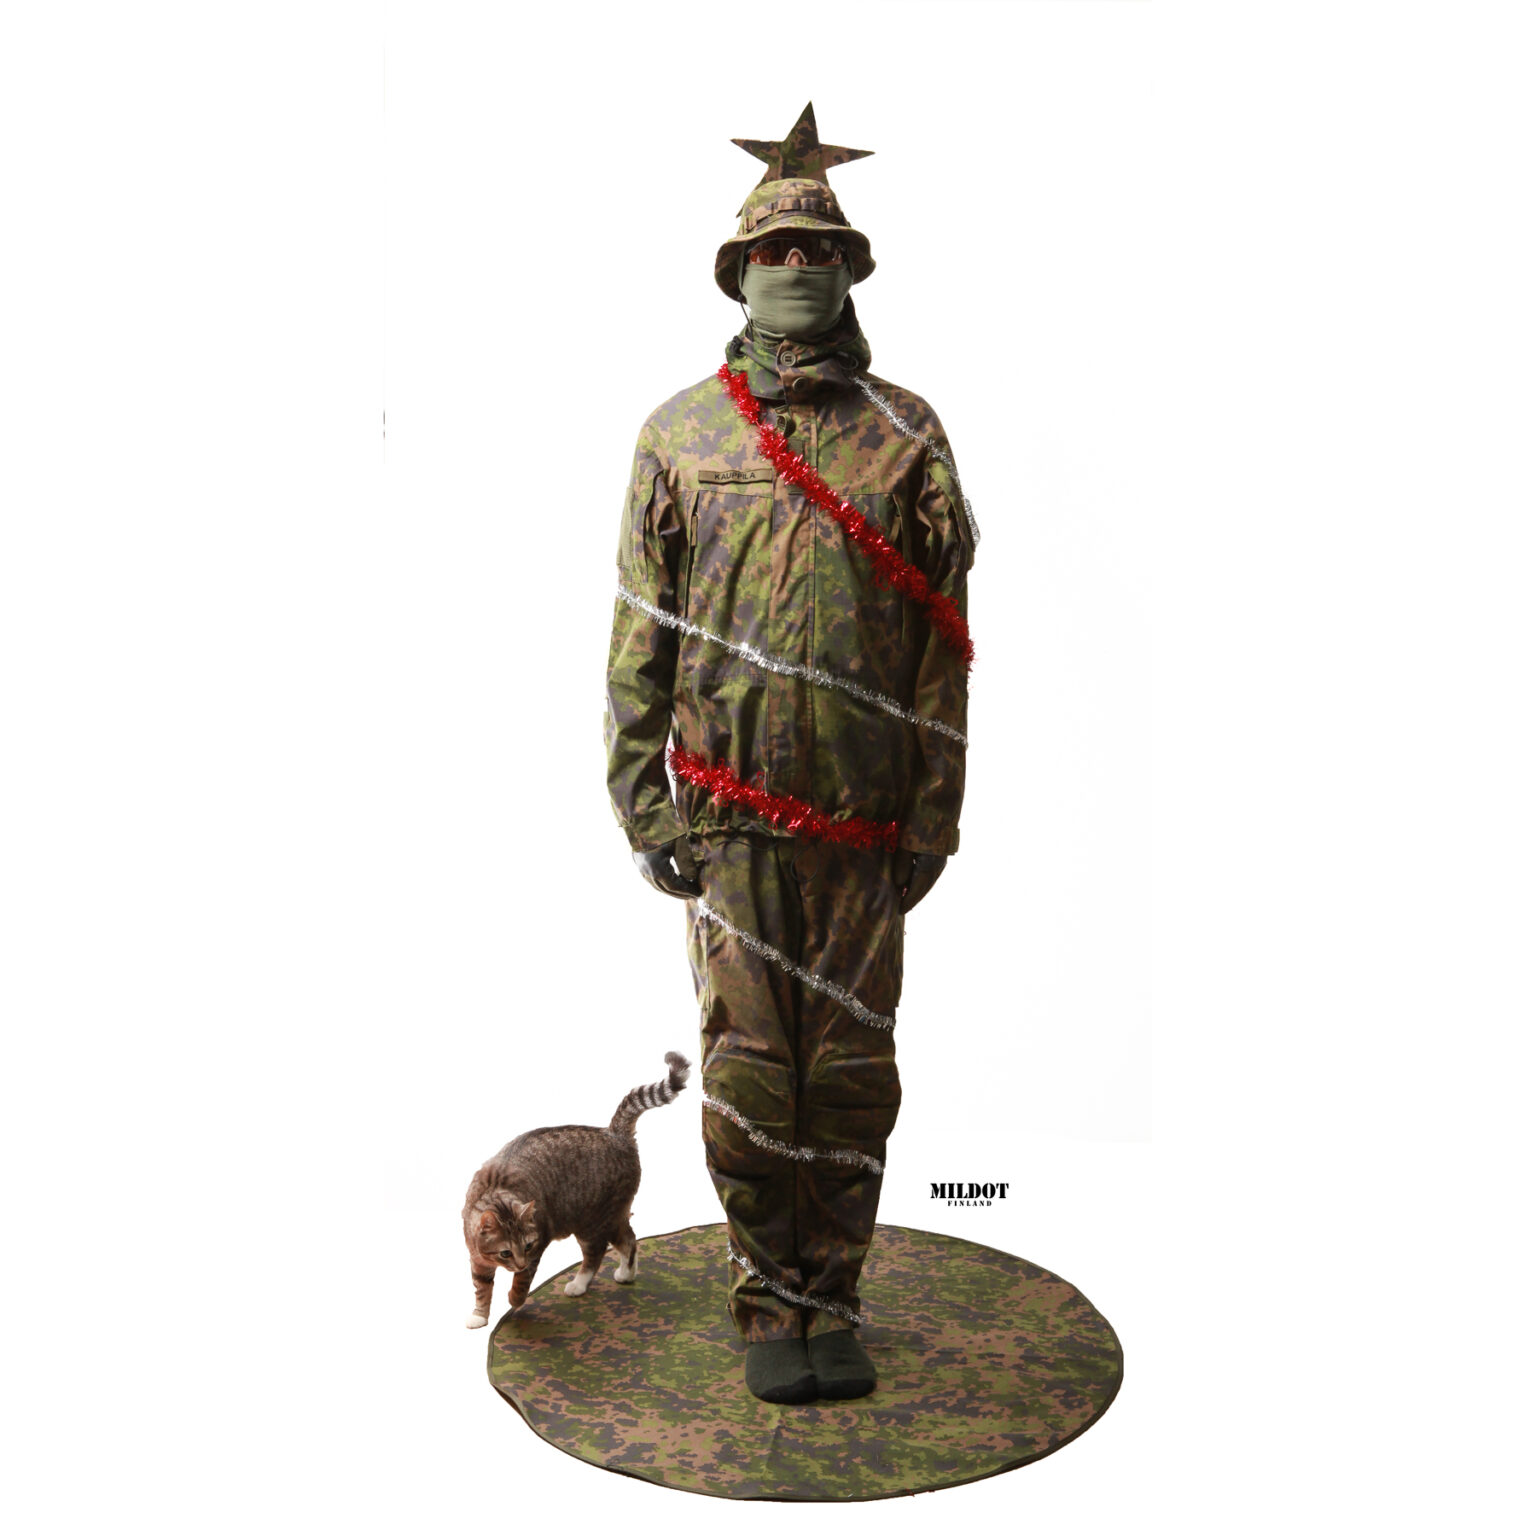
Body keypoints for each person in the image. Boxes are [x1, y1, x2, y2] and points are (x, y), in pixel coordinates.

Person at [604, 103, 976, 1404]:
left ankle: (836, 1300)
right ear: (738, 272)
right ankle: (773, 1304)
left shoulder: (907, 435)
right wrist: (644, 803)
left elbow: (943, 646)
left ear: (852, 271)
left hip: (866, 829)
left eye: (821, 252)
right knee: (755, 1078)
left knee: (854, 1079)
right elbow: (640, 635)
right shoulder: (681, 437)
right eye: (775, 252)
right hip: (731, 828)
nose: (798, 269)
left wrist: (934, 813)